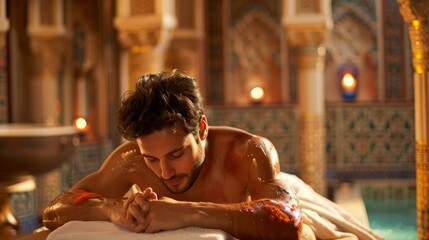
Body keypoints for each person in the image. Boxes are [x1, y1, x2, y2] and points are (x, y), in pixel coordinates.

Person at [42, 70, 305, 240]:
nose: (165, 173)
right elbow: (54, 212)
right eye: (151, 160)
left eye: (177, 154)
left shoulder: (248, 151)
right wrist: (116, 208)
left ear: (201, 129)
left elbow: (289, 221)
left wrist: (186, 212)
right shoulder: (130, 158)